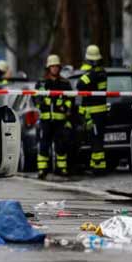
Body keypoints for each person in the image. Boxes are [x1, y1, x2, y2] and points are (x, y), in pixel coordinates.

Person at [35, 55, 74, 180]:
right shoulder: (42, 82)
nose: (55, 69)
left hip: (60, 120)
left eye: (57, 66)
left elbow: (70, 98)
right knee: (43, 145)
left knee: (61, 145)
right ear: (48, 67)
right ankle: (42, 170)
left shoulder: (65, 83)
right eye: (53, 66)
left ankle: (61, 169)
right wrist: (41, 103)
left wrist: (65, 106)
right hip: (46, 119)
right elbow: (36, 98)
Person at [76, 45, 108, 174]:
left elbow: (80, 85)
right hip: (98, 112)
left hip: (94, 113)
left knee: (96, 140)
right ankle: (95, 164)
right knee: (96, 139)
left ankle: (98, 167)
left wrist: (87, 73)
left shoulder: (94, 74)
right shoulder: (102, 73)